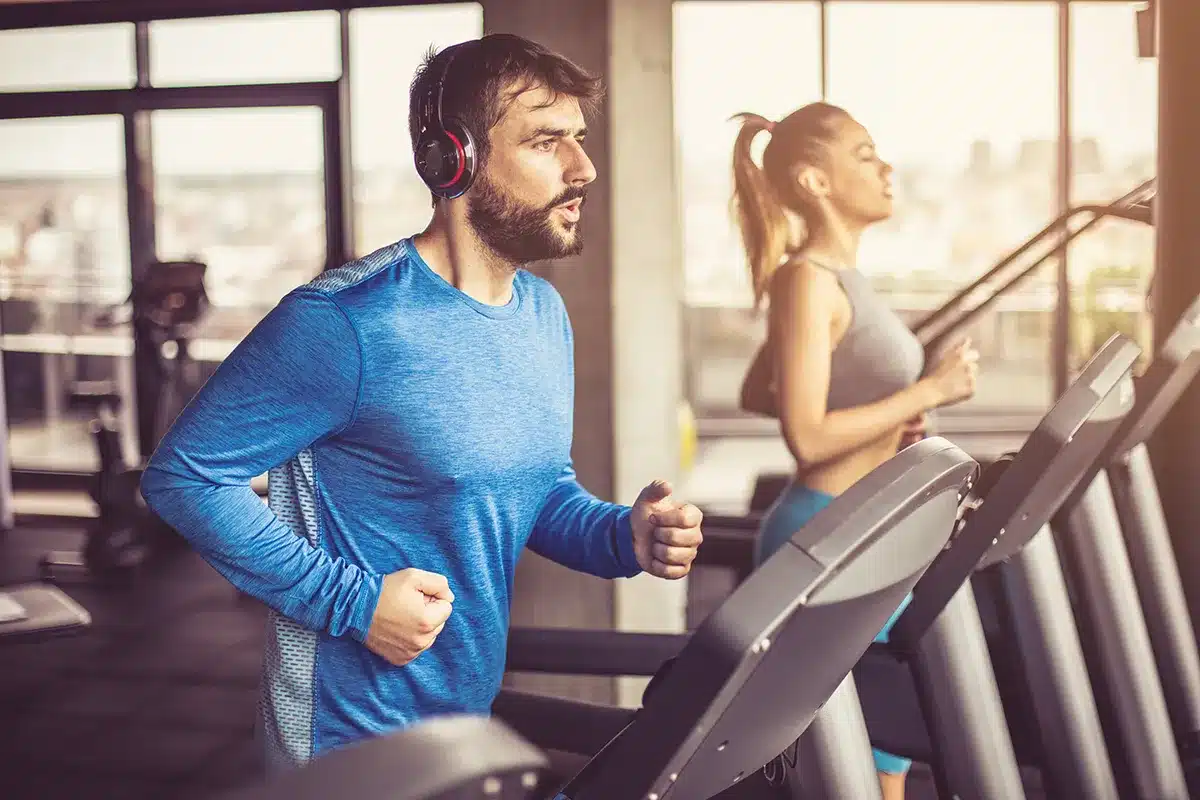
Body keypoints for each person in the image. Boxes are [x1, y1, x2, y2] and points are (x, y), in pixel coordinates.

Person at [140, 33, 704, 773]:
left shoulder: (540, 313)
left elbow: (532, 491)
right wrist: (355, 603)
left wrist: (619, 536)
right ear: (452, 158)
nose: (583, 168)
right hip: (343, 744)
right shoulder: (343, 323)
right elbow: (182, 478)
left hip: (457, 728)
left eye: (579, 140)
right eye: (546, 141)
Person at [730, 102, 979, 800]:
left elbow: (762, 390)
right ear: (814, 180)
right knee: (857, 764)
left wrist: (887, 421)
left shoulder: (834, 279)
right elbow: (806, 436)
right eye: (866, 154)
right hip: (825, 533)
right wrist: (927, 388)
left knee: (882, 758)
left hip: (865, 531)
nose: (887, 166)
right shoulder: (806, 278)